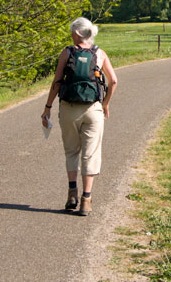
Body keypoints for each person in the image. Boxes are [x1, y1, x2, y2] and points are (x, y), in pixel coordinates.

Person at [41, 17, 117, 216]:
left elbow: (57, 82)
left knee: (72, 151)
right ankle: (86, 199)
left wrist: (48, 106)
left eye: (72, 31)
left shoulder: (67, 52)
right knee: (90, 154)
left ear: (77, 33)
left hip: (69, 108)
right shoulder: (100, 53)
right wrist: (105, 104)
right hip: (93, 109)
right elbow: (114, 81)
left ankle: (72, 193)